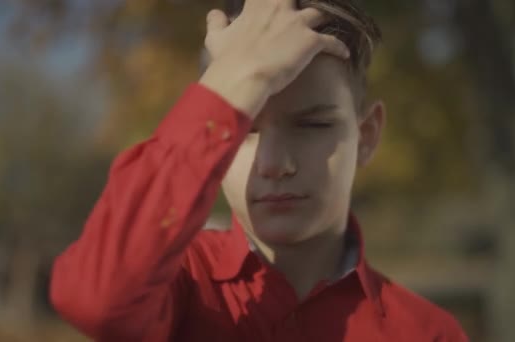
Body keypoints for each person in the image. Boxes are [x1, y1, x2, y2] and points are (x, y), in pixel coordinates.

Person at [49, 0, 469, 341]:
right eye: (242, 128)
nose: (274, 164)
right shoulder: (178, 286)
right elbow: (95, 300)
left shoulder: (428, 333)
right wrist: (237, 76)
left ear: (368, 135)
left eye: (312, 124)